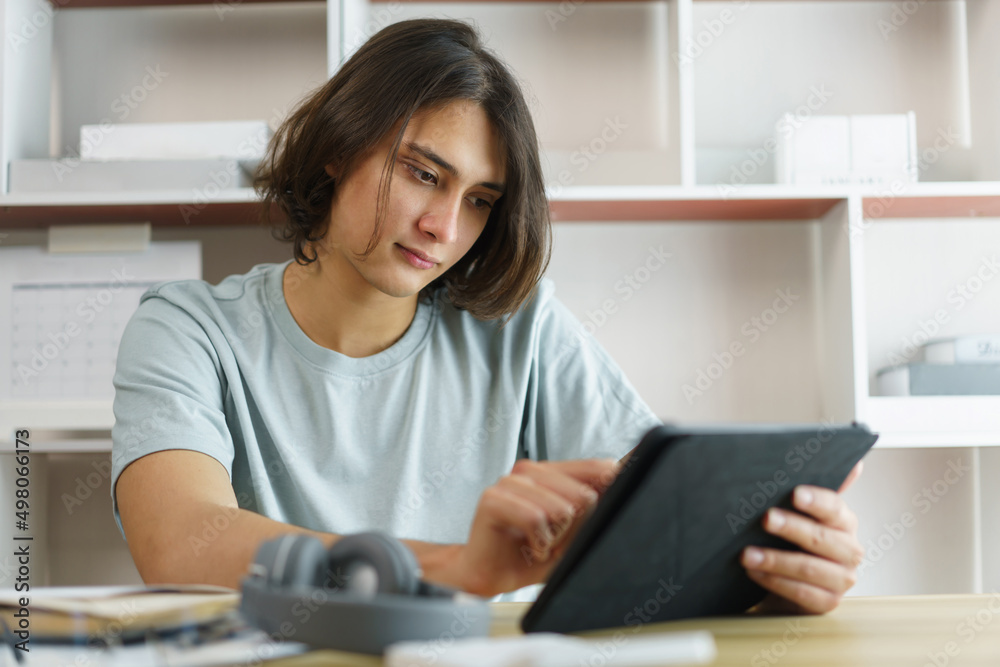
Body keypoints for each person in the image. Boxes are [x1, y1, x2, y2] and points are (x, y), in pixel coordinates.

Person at [111, 17, 864, 612]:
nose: (444, 226)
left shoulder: (520, 328)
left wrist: (774, 569)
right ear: (339, 147)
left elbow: (659, 518)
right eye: (422, 172)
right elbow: (180, 542)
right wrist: (456, 569)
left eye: (479, 200)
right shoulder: (186, 329)